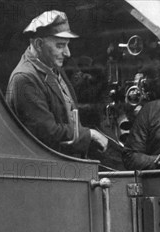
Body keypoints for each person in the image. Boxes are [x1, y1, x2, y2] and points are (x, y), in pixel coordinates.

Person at [6, 11, 108, 156]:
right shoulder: (24, 79)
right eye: (60, 46)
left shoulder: (52, 66)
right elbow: (47, 132)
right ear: (39, 44)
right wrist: (89, 134)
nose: (68, 53)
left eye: (67, 45)